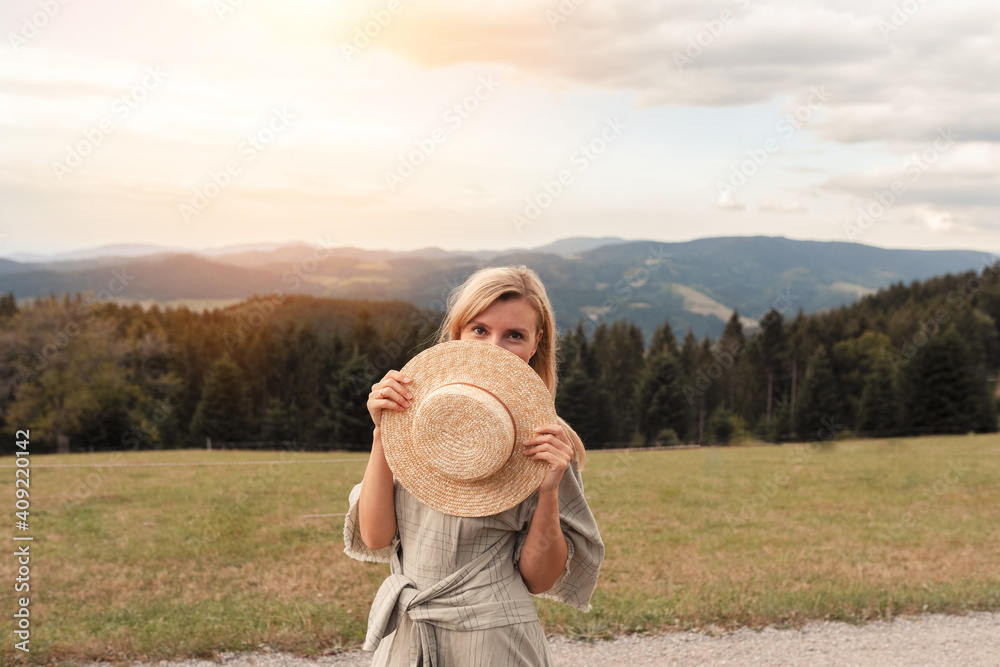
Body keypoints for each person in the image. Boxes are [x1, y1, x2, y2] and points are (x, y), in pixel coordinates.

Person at [343, 264, 605, 666]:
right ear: (458, 334)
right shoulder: (413, 417)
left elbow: (539, 579)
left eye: (513, 335)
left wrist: (549, 489)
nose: (492, 347)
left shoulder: (546, 441)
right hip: (408, 634)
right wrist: (383, 434)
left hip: (495, 643)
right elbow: (376, 536)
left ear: (536, 344)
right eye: (480, 330)